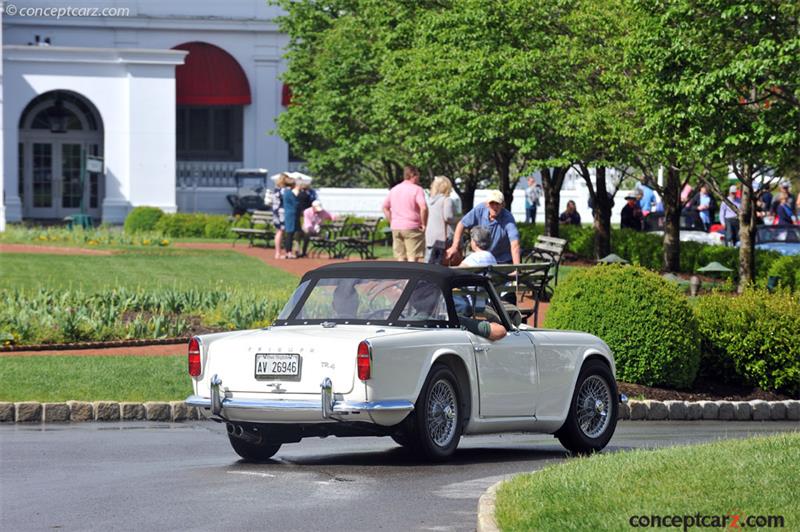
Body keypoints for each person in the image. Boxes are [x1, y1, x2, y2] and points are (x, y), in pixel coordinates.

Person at [446, 190, 521, 265]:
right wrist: (454, 247)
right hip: (482, 258)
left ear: (503, 205)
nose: (495, 207)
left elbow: (515, 244)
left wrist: (516, 268)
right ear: (487, 204)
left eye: (497, 204)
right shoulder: (480, 209)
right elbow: (461, 224)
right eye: (492, 203)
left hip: (502, 260)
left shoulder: (508, 218)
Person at [382, 165, 428, 262]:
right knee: (413, 256)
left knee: (401, 257)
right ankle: (411, 276)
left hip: (396, 227)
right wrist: (423, 223)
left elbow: (385, 207)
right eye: (418, 175)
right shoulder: (417, 189)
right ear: (413, 175)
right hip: (412, 226)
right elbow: (423, 207)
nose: (419, 177)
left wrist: (392, 221)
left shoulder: (394, 189)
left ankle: (402, 277)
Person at [425, 176, 457, 263]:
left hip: (430, 237)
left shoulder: (430, 201)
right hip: (442, 237)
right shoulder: (447, 200)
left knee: (429, 262)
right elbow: (448, 217)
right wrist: (459, 219)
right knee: (439, 265)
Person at [271, 173, 294, 259]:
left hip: (276, 212)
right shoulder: (283, 190)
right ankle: (278, 253)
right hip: (281, 213)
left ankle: (278, 252)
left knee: (278, 232)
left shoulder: (276, 189)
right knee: (280, 232)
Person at [282, 179, 299, 259]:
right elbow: (295, 203)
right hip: (291, 214)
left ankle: (288, 251)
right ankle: (288, 252)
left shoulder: (286, 192)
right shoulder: (290, 193)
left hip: (288, 214)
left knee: (289, 234)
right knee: (290, 234)